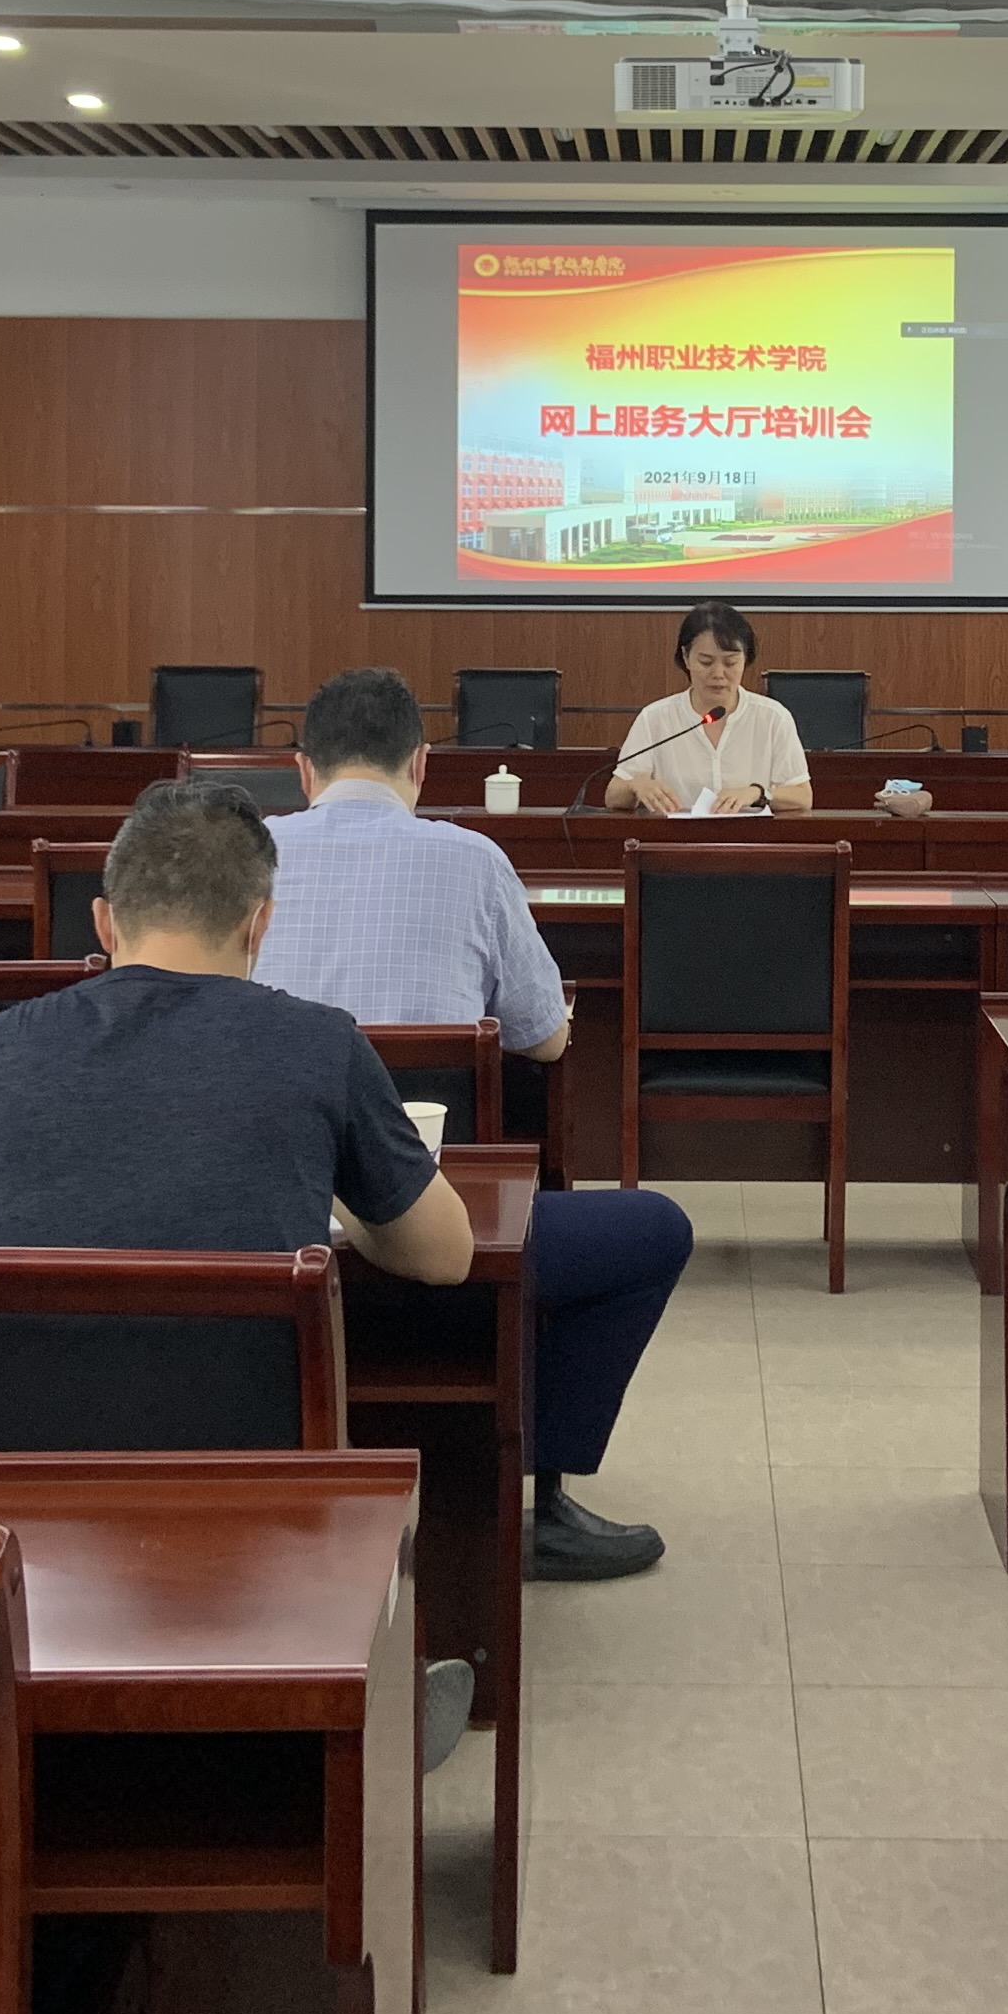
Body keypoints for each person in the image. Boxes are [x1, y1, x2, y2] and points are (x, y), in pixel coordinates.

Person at [0, 777, 482, 1766]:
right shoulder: (320, 1045)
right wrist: (333, 1213)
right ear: (261, 922)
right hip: (254, 1507)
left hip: (19, 1510)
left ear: (104, 921)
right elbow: (444, 1255)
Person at [258, 666, 693, 1580]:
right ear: (422, 765)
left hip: (267, 1223)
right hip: (440, 1236)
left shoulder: (247, 858)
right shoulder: (472, 859)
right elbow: (545, 1038)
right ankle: (532, 1495)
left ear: (302, 770)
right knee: (652, 1230)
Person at [607, 599, 813, 817]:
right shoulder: (655, 718)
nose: (718, 674)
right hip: (675, 837)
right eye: (706, 662)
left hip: (751, 837)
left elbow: (802, 796)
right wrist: (636, 784)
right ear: (686, 658)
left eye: (730, 662)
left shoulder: (773, 717)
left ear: (745, 660)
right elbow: (613, 796)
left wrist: (758, 793)